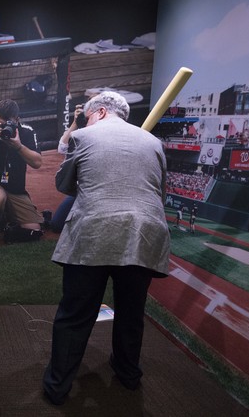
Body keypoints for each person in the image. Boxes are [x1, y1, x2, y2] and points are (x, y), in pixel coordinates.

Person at [43, 91, 170, 405]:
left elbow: (63, 184)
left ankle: (58, 386)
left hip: (94, 233)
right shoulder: (153, 142)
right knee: (131, 312)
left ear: (98, 112)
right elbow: (160, 192)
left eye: (87, 115)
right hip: (144, 233)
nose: (86, 120)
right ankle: (128, 375)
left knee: (75, 314)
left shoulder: (84, 136)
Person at [0, 99, 44, 242]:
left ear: (17, 120)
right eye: (1, 123)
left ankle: (5, 217)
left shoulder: (27, 131)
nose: (5, 128)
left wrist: (19, 146)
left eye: (9, 124)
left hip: (15, 188)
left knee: (33, 230)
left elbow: (37, 163)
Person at [49, 103, 86, 233]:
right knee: (57, 225)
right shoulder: (80, 131)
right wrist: (76, 121)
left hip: (100, 190)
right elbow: (62, 148)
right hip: (80, 190)